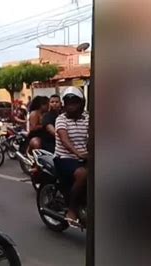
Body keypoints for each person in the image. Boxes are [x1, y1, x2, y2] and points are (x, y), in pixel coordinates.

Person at [54, 87, 88, 227]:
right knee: (82, 174)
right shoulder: (61, 119)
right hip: (65, 158)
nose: (71, 105)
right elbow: (64, 138)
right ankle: (72, 209)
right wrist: (77, 153)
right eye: (68, 102)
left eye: (74, 102)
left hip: (85, 157)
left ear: (81, 103)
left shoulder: (88, 118)